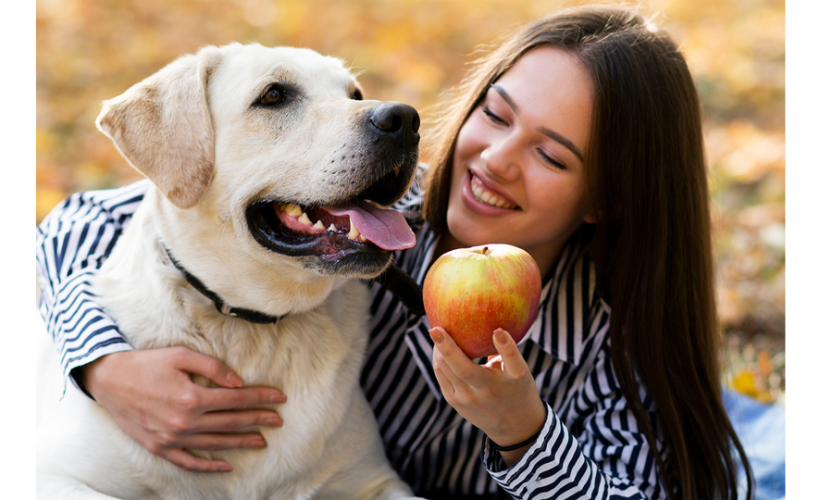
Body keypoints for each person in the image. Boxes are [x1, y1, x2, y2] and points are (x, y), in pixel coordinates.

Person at [35, 5, 754, 499]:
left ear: (608, 199)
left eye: (552, 155)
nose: (496, 160)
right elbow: (80, 224)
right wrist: (101, 361)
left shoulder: (613, 343)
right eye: (495, 114)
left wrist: (525, 433)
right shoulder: (388, 230)